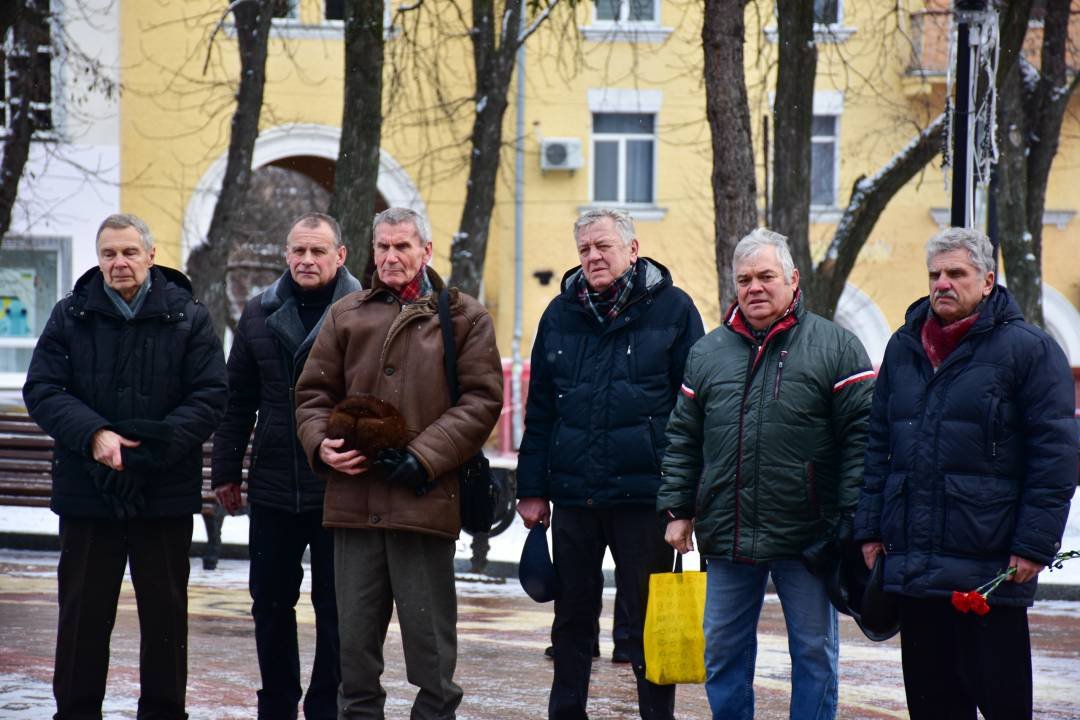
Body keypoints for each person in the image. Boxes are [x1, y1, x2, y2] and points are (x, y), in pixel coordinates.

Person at [854, 227, 1077, 719]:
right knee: (933, 706)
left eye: (957, 273)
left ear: (988, 280)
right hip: (915, 567)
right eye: (935, 274)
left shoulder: (1031, 350)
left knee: (1002, 703)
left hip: (989, 567)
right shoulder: (904, 347)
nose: (943, 284)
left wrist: (1034, 544)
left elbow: (1055, 456)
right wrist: (869, 529)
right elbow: (877, 445)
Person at [293, 207, 503, 719]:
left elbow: (481, 401)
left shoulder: (464, 317)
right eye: (382, 247)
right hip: (353, 504)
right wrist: (320, 442)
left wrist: (423, 456)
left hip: (423, 506)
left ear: (426, 251)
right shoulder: (346, 314)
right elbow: (311, 395)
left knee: (432, 664)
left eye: (402, 246)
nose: (390, 256)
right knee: (355, 662)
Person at [658, 228, 874, 720]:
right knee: (723, 655)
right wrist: (678, 510)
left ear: (793, 279)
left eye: (766, 276)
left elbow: (861, 441)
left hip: (808, 537)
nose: (754, 287)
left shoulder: (836, 347)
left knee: (814, 653)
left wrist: (850, 518)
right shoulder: (708, 353)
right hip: (728, 534)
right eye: (744, 279)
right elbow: (684, 437)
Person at [22, 213, 228, 719]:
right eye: (109, 253)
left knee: (164, 620)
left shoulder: (189, 316)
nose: (119, 263)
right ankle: (74, 711)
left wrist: (150, 447)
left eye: (129, 252)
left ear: (151, 255)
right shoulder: (70, 315)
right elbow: (44, 390)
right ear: (98, 258)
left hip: (164, 491)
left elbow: (210, 395)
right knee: (82, 618)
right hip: (89, 491)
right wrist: (94, 435)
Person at [517, 207, 704, 720]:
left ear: (632, 250)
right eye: (585, 249)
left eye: (604, 246)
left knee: (649, 623)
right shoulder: (560, 313)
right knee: (572, 619)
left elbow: (692, 409)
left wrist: (683, 500)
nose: (594, 257)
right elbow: (541, 408)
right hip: (576, 494)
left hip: (645, 496)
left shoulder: (674, 309)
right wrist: (531, 488)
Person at [212, 212, 360, 719]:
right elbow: (238, 401)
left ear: (340, 256)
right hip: (274, 482)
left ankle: (325, 705)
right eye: (298, 250)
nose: (307, 260)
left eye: (319, 251)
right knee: (270, 606)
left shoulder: (364, 310)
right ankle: (276, 703)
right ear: (286, 255)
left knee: (336, 609)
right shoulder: (258, 312)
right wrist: (227, 473)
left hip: (340, 484)